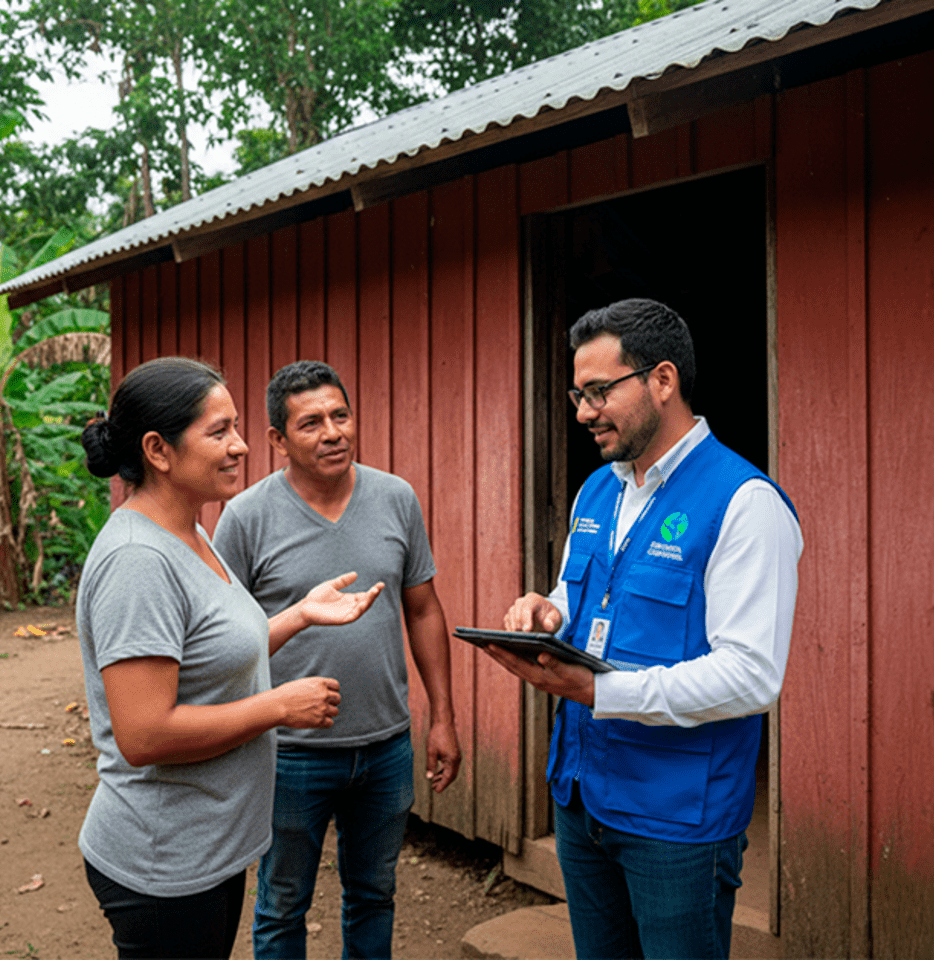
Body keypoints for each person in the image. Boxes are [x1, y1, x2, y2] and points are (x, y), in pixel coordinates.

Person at [489, 299, 802, 960]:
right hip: (582, 797)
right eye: (578, 393)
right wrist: (547, 613)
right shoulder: (598, 491)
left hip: (676, 820)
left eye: (599, 391)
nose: (582, 412)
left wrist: (598, 692)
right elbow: (589, 600)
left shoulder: (745, 504)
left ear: (663, 381)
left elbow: (751, 676)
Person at [76, 356, 385, 960]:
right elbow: (143, 733)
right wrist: (277, 706)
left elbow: (208, 658)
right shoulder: (138, 560)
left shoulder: (189, 533)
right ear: (158, 451)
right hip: (162, 859)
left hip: (206, 846)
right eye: (219, 432)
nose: (241, 446)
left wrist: (298, 614)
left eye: (236, 427)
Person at [213, 360, 462, 960]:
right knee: (282, 904)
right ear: (277, 440)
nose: (333, 433)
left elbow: (424, 610)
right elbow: (225, 640)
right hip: (290, 754)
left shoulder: (395, 498)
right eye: (311, 423)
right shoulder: (245, 517)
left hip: (385, 746)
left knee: (374, 893)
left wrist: (443, 717)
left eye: (340, 415)